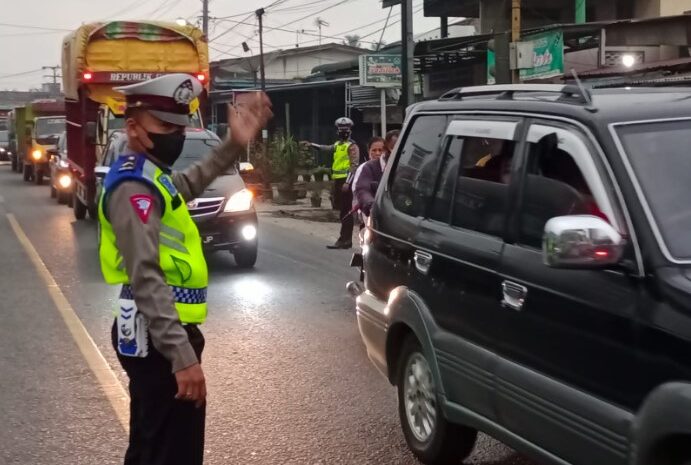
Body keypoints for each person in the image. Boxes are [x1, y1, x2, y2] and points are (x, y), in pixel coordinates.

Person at [97, 74, 272, 465]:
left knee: (154, 446)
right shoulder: (133, 187)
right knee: (171, 453)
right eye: (164, 127)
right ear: (133, 127)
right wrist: (182, 358)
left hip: (156, 333)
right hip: (159, 337)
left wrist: (234, 142)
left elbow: (190, 182)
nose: (174, 136)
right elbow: (146, 276)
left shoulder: (149, 175)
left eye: (179, 127)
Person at [302, 117, 360, 249]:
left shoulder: (352, 146)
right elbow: (326, 148)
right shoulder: (338, 145)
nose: (343, 132)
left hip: (346, 183)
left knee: (346, 212)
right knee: (342, 211)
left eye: (345, 130)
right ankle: (344, 239)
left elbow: (354, 166)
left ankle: (345, 240)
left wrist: (347, 182)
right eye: (341, 130)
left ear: (350, 131)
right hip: (339, 182)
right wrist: (312, 145)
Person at [353, 130, 399, 219]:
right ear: (386, 148)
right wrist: (371, 206)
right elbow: (362, 190)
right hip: (374, 217)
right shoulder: (368, 167)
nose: (377, 153)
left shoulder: (407, 167)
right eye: (393, 148)